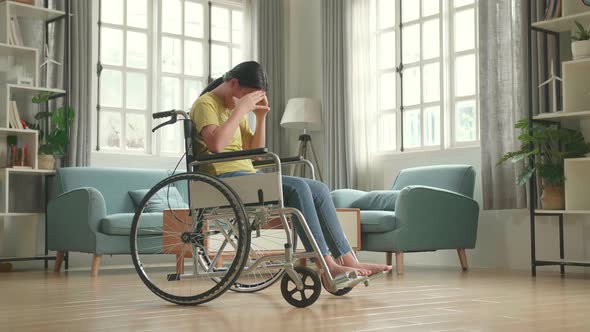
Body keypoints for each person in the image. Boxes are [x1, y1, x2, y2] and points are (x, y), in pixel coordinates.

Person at [190, 61, 392, 277]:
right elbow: (216, 145)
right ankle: (327, 266)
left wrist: (260, 117)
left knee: (319, 188)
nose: (246, 104)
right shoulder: (206, 104)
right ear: (233, 83)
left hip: (245, 177)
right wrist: (240, 111)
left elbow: (256, 152)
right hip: (222, 180)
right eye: (247, 97)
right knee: (298, 188)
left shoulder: (231, 109)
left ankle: (349, 259)